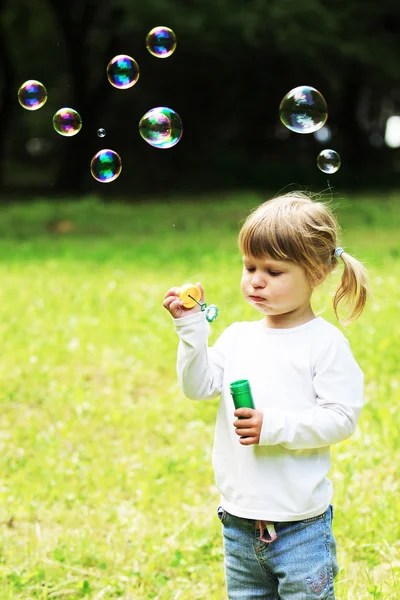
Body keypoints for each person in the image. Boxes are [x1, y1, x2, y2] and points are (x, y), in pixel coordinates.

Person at [163, 192, 368, 599]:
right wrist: (191, 332)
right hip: (238, 523)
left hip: (300, 529)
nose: (255, 280)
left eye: (273, 271)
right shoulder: (238, 337)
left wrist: (271, 425)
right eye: (249, 266)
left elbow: (340, 417)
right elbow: (197, 386)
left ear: (315, 274)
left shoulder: (324, 344)